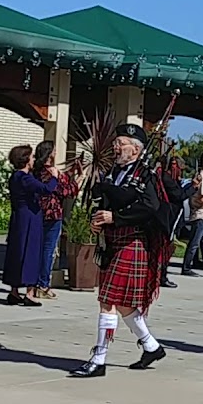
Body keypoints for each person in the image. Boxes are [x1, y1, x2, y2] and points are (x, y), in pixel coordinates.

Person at [69, 123, 166, 378]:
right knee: (121, 303)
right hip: (113, 241)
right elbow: (103, 201)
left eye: (120, 143)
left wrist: (116, 218)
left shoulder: (146, 175)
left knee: (107, 301)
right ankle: (151, 346)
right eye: (115, 143)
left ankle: (98, 360)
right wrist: (97, 220)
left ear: (135, 149)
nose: (115, 147)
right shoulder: (113, 172)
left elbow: (150, 207)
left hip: (132, 241)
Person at [2, 143, 60, 306]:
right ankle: (29, 292)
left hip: (18, 216)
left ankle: (14, 291)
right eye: (32, 157)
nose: (34, 159)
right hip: (30, 217)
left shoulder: (16, 176)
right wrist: (55, 177)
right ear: (26, 159)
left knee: (17, 251)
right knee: (31, 252)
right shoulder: (25, 178)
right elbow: (46, 189)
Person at [35, 141, 80, 299]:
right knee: (48, 250)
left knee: (37, 249)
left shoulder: (35, 171)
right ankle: (43, 285)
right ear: (50, 154)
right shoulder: (53, 172)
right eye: (54, 150)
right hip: (53, 214)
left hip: (37, 213)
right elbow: (67, 191)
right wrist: (78, 179)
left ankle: (33, 283)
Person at [156, 156, 190, 288]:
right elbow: (179, 196)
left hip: (172, 216)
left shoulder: (172, 179)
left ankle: (162, 274)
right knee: (165, 247)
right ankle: (162, 276)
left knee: (167, 247)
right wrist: (193, 187)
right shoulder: (167, 179)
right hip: (168, 217)